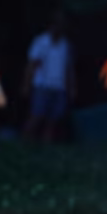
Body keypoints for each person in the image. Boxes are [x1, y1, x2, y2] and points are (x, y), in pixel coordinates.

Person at [22, 11, 75, 143]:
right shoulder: (40, 42)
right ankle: (23, 143)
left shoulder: (66, 45)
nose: (59, 27)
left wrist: (72, 87)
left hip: (59, 87)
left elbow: (69, 69)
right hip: (42, 86)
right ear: (51, 25)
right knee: (36, 116)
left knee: (53, 120)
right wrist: (26, 85)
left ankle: (46, 147)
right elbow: (31, 66)